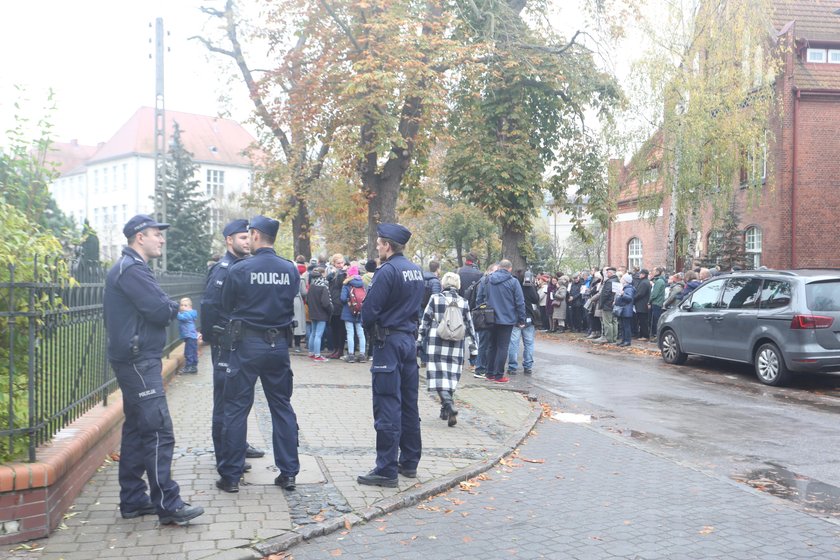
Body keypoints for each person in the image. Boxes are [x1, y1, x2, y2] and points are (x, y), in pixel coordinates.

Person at [104, 214, 204, 525]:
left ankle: (133, 499)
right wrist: (175, 308)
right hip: (138, 361)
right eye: (155, 234)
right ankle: (168, 504)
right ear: (138, 237)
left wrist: (170, 306)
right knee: (159, 431)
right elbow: (160, 310)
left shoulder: (132, 268)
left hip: (134, 358)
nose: (161, 239)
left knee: (136, 430)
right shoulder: (132, 270)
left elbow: (159, 305)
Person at [217, 215, 300, 493]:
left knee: (236, 408)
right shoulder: (290, 269)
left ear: (254, 235)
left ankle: (230, 476)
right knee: (282, 407)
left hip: (247, 345)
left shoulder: (241, 269)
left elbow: (227, 305)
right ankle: (288, 473)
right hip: (279, 347)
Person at [357, 223, 424, 487]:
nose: (377, 246)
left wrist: (370, 328)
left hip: (390, 343)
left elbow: (369, 310)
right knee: (409, 404)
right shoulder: (416, 271)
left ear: (387, 245)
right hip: (408, 340)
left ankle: (386, 469)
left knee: (387, 404)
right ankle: (409, 461)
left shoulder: (387, 271)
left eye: (379, 243)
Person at [199, 219, 265, 473]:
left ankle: (237, 444)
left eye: (249, 237)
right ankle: (224, 454)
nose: (247, 242)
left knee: (241, 398)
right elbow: (209, 307)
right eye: (242, 238)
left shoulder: (245, 266)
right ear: (229, 241)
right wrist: (212, 337)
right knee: (225, 399)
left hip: (242, 343)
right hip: (225, 343)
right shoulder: (223, 269)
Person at [418, 272, 477, 426]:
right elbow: (470, 327)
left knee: (439, 378)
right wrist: (473, 349)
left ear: (443, 284)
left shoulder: (435, 299)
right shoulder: (463, 302)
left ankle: (448, 404)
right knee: (450, 378)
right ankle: (446, 409)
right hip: (456, 345)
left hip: (436, 341)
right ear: (457, 285)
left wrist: (419, 341)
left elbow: (425, 321)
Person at [476, 259, 525, 383]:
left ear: (499, 268)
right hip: (507, 319)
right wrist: (521, 319)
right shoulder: (513, 282)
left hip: (489, 318)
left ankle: (489, 373)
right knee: (502, 347)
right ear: (510, 269)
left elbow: (480, 298)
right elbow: (520, 302)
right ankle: (499, 375)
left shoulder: (487, 280)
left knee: (492, 345)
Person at [507, 270, 539, 376]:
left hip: (515, 318)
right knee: (529, 343)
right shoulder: (530, 287)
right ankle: (528, 366)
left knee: (513, 343)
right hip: (528, 318)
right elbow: (536, 299)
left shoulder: (512, 286)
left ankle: (512, 367)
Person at [340, 265, 367, 362]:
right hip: (360, 311)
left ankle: (351, 355)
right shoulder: (362, 284)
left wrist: (348, 301)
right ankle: (362, 354)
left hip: (349, 311)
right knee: (361, 333)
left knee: (350, 333)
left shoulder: (347, 284)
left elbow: (342, 299)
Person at [306, 267, 332, 362]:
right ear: (323, 274)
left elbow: (308, 299)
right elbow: (325, 302)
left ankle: (311, 352)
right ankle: (317, 355)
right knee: (318, 335)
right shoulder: (323, 286)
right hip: (321, 313)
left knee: (313, 333)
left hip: (312, 312)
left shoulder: (312, 285)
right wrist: (330, 309)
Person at [326, 254, 348, 358]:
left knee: (341, 329)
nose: (340, 265)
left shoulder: (344, 274)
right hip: (332, 304)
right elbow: (328, 280)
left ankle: (340, 350)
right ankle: (335, 349)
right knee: (334, 328)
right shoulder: (332, 273)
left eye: (341, 263)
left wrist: (342, 273)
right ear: (334, 264)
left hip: (340, 304)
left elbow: (341, 285)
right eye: (338, 263)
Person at [595, 267, 619, 344]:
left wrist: (601, 303)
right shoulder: (617, 280)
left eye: (608, 272)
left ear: (611, 273)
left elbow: (605, 294)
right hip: (614, 304)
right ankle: (614, 338)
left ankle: (609, 339)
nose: (606, 274)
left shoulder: (609, 282)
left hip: (608, 304)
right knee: (614, 321)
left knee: (608, 322)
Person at [177, 297, 199, 374]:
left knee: (188, 352)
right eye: (181, 305)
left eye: (185, 305)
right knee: (193, 351)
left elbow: (181, 317)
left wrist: (176, 312)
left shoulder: (187, 314)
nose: (183, 307)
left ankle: (188, 366)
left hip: (190, 335)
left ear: (190, 307)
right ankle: (194, 366)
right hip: (191, 336)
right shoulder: (191, 313)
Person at [614, 273, 636, 347]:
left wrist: (623, 294)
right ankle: (623, 340)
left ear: (625, 281)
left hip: (626, 310)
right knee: (623, 326)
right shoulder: (625, 288)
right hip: (623, 309)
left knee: (626, 326)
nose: (621, 280)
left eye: (622, 279)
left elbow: (629, 298)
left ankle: (627, 341)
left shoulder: (629, 289)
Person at [649, 266, 667, 340]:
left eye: (653, 271)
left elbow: (655, 294)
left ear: (657, 272)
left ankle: (656, 336)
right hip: (657, 302)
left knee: (655, 320)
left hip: (656, 303)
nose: (652, 272)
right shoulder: (658, 280)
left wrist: (649, 301)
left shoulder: (659, 281)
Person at [633, 269, 651, 340]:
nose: (639, 275)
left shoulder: (644, 283)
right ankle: (641, 335)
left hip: (642, 304)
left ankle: (645, 335)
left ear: (643, 275)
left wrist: (633, 298)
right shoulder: (645, 281)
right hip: (642, 304)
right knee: (642, 320)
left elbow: (640, 294)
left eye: (640, 274)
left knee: (643, 321)